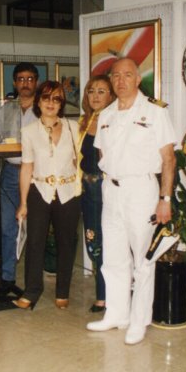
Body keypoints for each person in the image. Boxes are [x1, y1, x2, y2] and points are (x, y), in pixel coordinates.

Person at [86, 58, 176, 345]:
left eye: (127, 75)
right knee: (112, 257)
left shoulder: (155, 113)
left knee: (143, 259)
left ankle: (139, 321)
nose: (121, 80)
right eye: (116, 76)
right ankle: (116, 314)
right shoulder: (107, 114)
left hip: (141, 190)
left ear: (138, 79)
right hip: (111, 191)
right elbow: (102, 155)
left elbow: (168, 159)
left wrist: (165, 198)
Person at [13, 81, 81, 310]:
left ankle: (63, 290)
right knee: (35, 242)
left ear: (61, 104)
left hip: (68, 192)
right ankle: (32, 291)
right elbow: (26, 167)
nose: (51, 103)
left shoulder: (74, 127)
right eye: (46, 98)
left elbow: (79, 160)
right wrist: (23, 203)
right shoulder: (29, 131)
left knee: (66, 242)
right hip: (39, 191)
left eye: (57, 99)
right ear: (38, 101)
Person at [0, 63, 39, 287]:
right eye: (20, 79)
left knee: (36, 229)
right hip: (11, 174)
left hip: (38, 175)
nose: (25, 83)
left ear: (36, 81)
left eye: (29, 79)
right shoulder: (5, 110)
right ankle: (7, 276)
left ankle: (33, 280)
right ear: (14, 83)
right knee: (8, 228)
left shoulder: (44, 108)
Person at [77, 75, 116, 313]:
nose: (96, 96)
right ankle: (103, 292)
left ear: (111, 96)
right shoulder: (82, 122)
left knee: (114, 242)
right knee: (93, 240)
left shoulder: (116, 121)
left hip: (109, 189)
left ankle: (109, 294)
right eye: (92, 91)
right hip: (87, 190)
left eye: (102, 91)